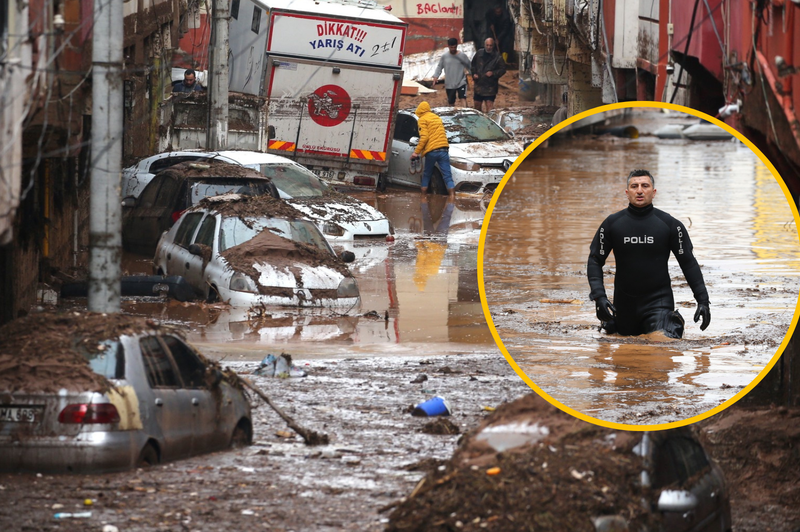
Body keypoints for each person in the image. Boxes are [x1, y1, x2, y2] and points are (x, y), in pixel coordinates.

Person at [587, 169, 710, 339]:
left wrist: (703, 301)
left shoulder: (670, 225)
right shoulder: (612, 224)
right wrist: (599, 297)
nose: (639, 190)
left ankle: (672, 323)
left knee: (661, 346)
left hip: (658, 303)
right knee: (624, 356)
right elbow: (595, 260)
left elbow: (688, 263)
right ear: (627, 192)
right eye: (634, 186)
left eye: (645, 186)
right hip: (624, 306)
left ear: (653, 192)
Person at [411, 101, 455, 198]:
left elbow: (424, 137)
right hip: (443, 149)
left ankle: (423, 196)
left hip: (432, 151)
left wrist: (416, 152)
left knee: (427, 173)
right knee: (447, 175)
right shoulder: (437, 118)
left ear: (420, 111)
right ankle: (452, 197)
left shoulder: (422, 119)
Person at [432, 38, 472, 107]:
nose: (453, 49)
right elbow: (439, 67)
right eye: (451, 47)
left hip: (461, 81)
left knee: (463, 98)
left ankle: (465, 112)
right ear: (448, 46)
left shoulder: (462, 56)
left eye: (454, 47)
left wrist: (473, 74)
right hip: (449, 83)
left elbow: (469, 66)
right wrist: (436, 76)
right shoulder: (444, 57)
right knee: (451, 102)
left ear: (457, 46)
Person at [471, 38, 507, 113]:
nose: (489, 47)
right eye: (487, 45)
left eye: (490, 45)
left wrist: (493, 73)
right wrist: (474, 73)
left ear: (493, 46)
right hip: (479, 85)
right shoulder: (479, 53)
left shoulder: (497, 57)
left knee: (489, 107)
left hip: (490, 87)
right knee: (477, 107)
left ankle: (489, 123)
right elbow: (473, 65)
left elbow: (503, 69)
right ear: (484, 45)